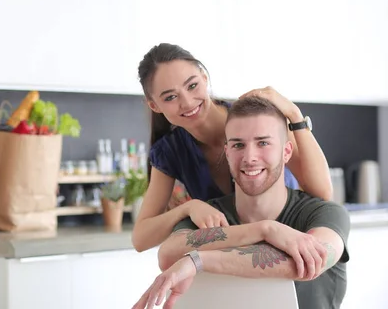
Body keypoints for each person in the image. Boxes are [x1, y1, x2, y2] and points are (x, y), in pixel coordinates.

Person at [132, 96, 350, 309]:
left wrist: (198, 261)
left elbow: (309, 261)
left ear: (286, 152)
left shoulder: (324, 213)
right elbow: (169, 253)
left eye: (263, 142)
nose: (250, 157)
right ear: (227, 153)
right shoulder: (210, 214)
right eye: (238, 145)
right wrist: (265, 230)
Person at [132, 43, 333, 252]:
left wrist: (294, 113)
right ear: (154, 105)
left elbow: (322, 192)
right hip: (230, 262)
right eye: (170, 97)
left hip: (290, 246)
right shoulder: (170, 151)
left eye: (192, 86)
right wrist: (189, 208)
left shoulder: (254, 117)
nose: (187, 102)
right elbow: (141, 239)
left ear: (204, 78)